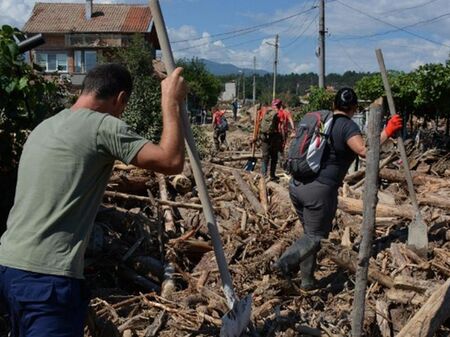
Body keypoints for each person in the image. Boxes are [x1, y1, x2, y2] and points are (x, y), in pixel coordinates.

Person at [0, 64, 187, 336]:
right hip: (47, 279)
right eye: (124, 106)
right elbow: (171, 161)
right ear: (120, 98)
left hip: (9, 266)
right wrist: (170, 101)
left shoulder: (45, 127)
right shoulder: (102, 126)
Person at [274, 88, 403, 290]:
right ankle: (284, 263)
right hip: (319, 192)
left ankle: (307, 281)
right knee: (315, 237)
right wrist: (387, 132)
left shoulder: (324, 121)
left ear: (334, 104)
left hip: (297, 185)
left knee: (310, 234)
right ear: (353, 108)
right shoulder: (347, 126)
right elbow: (365, 152)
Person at [255, 98, 286, 181]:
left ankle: (263, 174)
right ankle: (272, 175)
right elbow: (281, 127)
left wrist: (256, 136)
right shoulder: (280, 113)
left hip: (264, 136)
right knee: (274, 157)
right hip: (274, 137)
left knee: (265, 156)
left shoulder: (266, 111)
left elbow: (259, 123)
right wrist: (283, 139)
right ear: (280, 105)